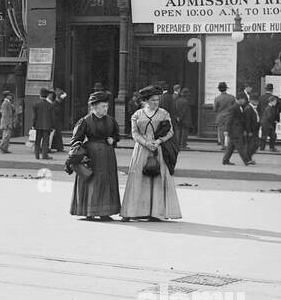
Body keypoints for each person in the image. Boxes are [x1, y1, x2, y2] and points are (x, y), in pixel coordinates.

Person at [120, 86, 183, 221]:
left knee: (157, 179)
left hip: (158, 149)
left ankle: (156, 213)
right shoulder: (137, 114)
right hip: (141, 150)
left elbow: (170, 131)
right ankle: (132, 211)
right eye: (153, 100)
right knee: (137, 178)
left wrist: (159, 141)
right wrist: (145, 142)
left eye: (157, 99)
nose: (156, 102)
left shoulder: (164, 113)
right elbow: (134, 133)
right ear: (146, 100)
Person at [66, 90, 121, 220]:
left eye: (107, 106)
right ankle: (88, 211)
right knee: (91, 181)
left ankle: (105, 212)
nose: (106, 109)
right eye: (103, 106)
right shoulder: (85, 121)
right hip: (91, 156)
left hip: (108, 155)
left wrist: (113, 140)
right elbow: (76, 139)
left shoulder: (111, 120)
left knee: (107, 181)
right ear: (94, 107)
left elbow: (116, 135)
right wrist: (78, 153)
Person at [222, 91, 258, 167]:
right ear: (240, 99)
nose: (245, 101)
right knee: (240, 147)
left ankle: (225, 160)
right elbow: (229, 119)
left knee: (231, 146)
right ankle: (247, 161)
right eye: (244, 100)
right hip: (235, 130)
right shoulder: (234, 107)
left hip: (236, 130)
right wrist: (226, 130)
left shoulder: (239, 107)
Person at [257, 83, 281, 152]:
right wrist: (276, 115)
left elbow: (258, 108)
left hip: (263, 118)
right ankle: (272, 146)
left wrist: (261, 116)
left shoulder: (261, 98)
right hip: (272, 119)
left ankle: (262, 147)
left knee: (264, 134)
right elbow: (280, 107)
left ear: (265, 89)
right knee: (272, 134)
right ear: (272, 90)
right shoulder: (275, 98)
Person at [32, 89, 55, 160]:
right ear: (47, 96)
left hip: (38, 126)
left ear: (40, 95)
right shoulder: (50, 105)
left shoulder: (36, 104)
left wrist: (33, 125)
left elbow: (34, 116)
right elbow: (52, 117)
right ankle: (44, 156)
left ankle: (37, 156)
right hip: (47, 126)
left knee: (37, 141)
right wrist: (53, 126)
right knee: (46, 141)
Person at [213, 82, 237, 149]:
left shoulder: (217, 98)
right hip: (230, 116)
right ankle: (230, 145)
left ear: (219, 89)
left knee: (221, 131)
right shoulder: (231, 97)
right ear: (226, 89)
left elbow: (215, 109)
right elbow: (235, 107)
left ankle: (223, 145)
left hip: (220, 117)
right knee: (230, 130)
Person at [171, 87, 192, 151]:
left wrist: (177, 117)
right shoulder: (186, 101)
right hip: (184, 119)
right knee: (184, 133)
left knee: (178, 132)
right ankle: (183, 145)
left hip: (177, 119)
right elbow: (184, 111)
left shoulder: (177, 100)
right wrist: (180, 117)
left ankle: (178, 145)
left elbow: (174, 109)